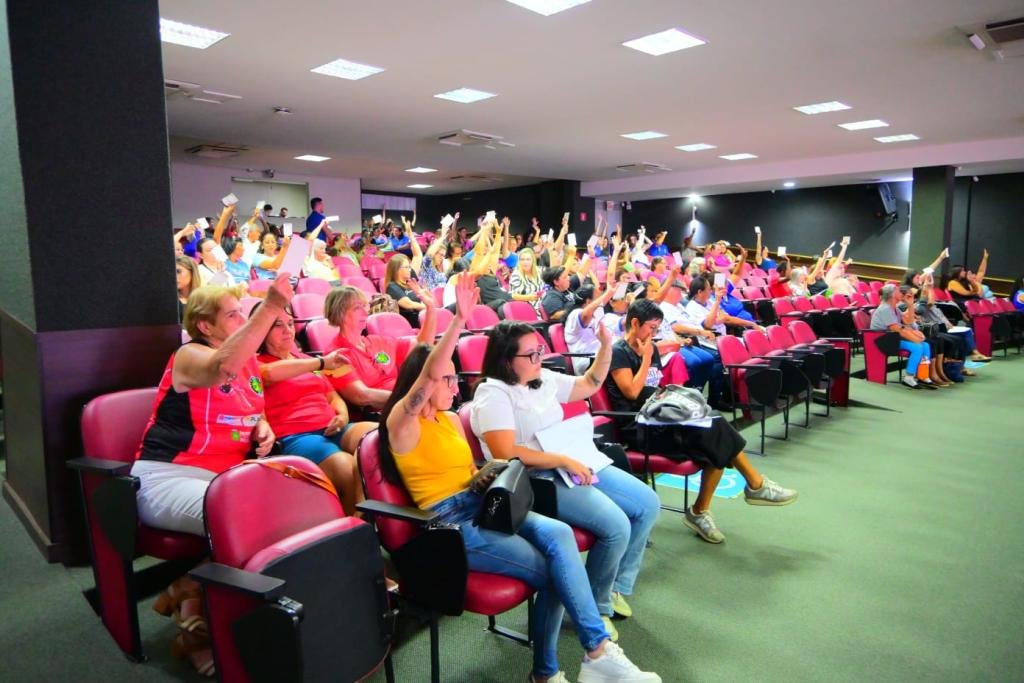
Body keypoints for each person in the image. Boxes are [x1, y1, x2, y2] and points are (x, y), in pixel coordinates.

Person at [379, 273, 660, 683]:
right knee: (554, 571)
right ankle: (566, 665)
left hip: (480, 500)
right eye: (446, 378)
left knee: (560, 537)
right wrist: (458, 320)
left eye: (455, 376)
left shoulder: (446, 420)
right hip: (449, 524)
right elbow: (428, 374)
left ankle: (589, 656)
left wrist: (483, 473)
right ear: (423, 384)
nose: (455, 384)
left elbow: (466, 469)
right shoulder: (401, 424)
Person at [133, 275, 293, 675]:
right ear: (205, 326)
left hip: (223, 481)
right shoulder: (187, 356)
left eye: (244, 311)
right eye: (234, 313)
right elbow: (221, 367)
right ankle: (199, 636)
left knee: (290, 509)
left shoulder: (249, 365)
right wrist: (271, 306)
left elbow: (252, 407)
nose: (242, 318)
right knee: (244, 521)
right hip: (166, 476)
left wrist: (264, 426)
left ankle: (191, 591)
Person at [471, 320, 661, 642]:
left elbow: (589, 384)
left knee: (647, 504)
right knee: (617, 527)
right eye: (530, 355)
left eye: (540, 351)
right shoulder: (494, 393)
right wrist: (563, 460)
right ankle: (595, 605)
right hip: (536, 479)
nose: (539, 360)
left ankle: (613, 587)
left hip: (570, 460)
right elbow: (506, 451)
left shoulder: (541, 378)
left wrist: (604, 348)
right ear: (506, 360)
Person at [605, 298, 798, 544]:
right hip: (638, 427)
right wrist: (644, 359)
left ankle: (709, 507)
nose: (654, 334)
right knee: (716, 433)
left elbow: (653, 387)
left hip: (661, 419)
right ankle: (745, 490)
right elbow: (632, 392)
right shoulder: (618, 352)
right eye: (651, 328)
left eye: (657, 329)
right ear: (635, 323)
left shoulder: (649, 348)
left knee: (714, 430)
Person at [257, 304, 376, 515]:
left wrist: (342, 413)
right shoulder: (255, 363)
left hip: (335, 427)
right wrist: (320, 362)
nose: (288, 330)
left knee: (379, 437)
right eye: (277, 325)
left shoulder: (306, 360)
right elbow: (269, 374)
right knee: (346, 468)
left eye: (291, 323)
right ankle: (357, 526)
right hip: (297, 436)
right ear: (261, 330)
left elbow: (332, 396)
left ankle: (377, 516)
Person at [322, 283, 436, 410]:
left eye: (365, 306)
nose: (366, 312)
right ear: (340, 313)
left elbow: (423, 346)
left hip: (409, 405)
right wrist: (408, 399)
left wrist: (431, 309)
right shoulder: (335, 354)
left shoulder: (376, 341)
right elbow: (360, 396)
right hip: (385, 415)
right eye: (357, 308)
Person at [870, 283, 936, 389]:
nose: (901, 293)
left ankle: (923, 375)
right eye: (897, 291)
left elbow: (909, 321)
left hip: (893, 338)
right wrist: (915, 338)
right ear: (891, 295)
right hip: (882, 340)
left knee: (925, 345)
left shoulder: (895, 308)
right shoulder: (885, 309)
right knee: (918, 347)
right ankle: (909, 377)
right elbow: (897, 329)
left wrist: (910, 305)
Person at [509, 247, 545, 313]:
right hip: (528, 309)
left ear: (533, 260)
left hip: (544, 305)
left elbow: (556, 272)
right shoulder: (516, 274)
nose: (525, 262)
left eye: (528, 259)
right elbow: (513, 295)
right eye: (522, 259)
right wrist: (529, 297)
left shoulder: (539, 270)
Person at [175, 255, 201, 320]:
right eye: (172, 272)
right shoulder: (170, 300)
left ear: (192, 272)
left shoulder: (203, 298)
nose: (174, 276)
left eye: (178, 271)